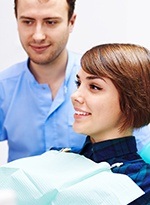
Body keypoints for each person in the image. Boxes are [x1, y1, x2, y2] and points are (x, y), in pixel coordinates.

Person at [0, 0, 149, 163]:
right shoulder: (4, 86)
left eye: (51, 22)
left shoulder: (105, 76)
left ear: (71, 22)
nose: (38, 36)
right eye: (28, 21)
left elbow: (138, 149)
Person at [71, 43, 150, 203]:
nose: (75, 95)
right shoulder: (59, 157)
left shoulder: (142, 182)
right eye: (79, 84)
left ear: (131, 101)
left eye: (94, 87)